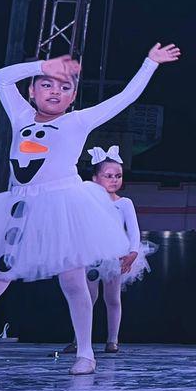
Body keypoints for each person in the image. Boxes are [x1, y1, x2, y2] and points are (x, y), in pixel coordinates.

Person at [0, 43, 181, 375]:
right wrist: (43, 65)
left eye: (65, 87)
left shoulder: (77, 121)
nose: (55, 91)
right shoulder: (19, 115)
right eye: (47, 84)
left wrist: (149, 62)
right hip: (19, 205)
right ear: (32, 91)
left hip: (62, 204)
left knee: (74, 282)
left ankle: (86, 353)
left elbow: (126, 98)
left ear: (73, 98)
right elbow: (1, 77)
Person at [81, 146, 154, 353]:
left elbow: (133, 231)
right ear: (95, 178)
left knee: (112, 299)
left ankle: (112, 339)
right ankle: (80, 340)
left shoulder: (124, 203)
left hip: (116, 257)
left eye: (118, 176)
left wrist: (132, 253)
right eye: (108, 176)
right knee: (87, 299)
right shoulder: (87, 201)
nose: (114, 180)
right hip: (92, 255)